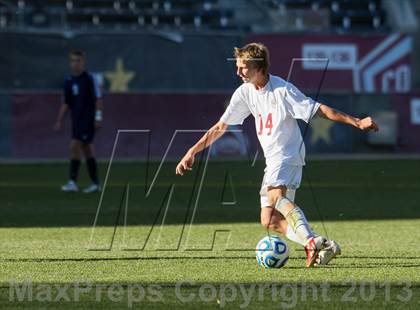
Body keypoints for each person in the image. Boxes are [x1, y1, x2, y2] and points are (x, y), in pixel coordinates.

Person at [175, 43, 379, 267]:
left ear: (259, 68)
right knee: (270, 220)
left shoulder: (283, 90)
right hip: (273, 159)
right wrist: (192, 151)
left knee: (274, 197)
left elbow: (319, 110)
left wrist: (357, 122)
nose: (238, 72)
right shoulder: (244, 92)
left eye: (244, 67)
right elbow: (221, 127)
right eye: (238, 67)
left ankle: (310, 242)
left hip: (287, 155)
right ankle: (324, 244)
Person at [54, 50, 103, 193]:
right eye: (73, 61)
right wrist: (59, 120)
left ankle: (72, 182)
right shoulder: (68, 81)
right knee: (87, 149)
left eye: (78, 60)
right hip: (76, 120)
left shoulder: (89, 79)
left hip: (88, 120)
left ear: (83, 62)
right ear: (70, 63)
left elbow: (98, 99)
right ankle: (95, 183)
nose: (75, 63)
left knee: (74, 145)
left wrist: (98, 117)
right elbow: (66, 103)